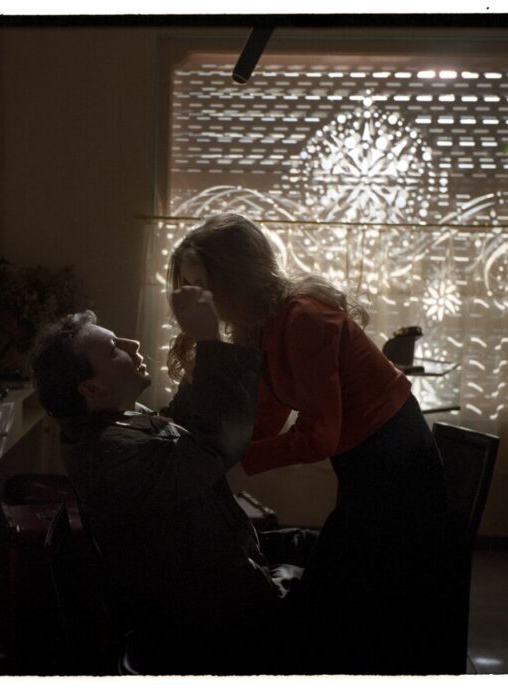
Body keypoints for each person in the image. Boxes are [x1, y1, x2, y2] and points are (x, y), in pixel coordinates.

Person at [166, 213, 456, 675]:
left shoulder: (304, 316)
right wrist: (220, 458)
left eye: (203, 284)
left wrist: (243, 467)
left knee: (345, 597)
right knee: (342, 595)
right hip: (365, 464)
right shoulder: (259, 325)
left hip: (396, 462)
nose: (196, 298)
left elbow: (321, 434)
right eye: (187, 286)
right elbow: (268, 414)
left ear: (236, 274)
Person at [28, 288, 311, 675]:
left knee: (328, 547)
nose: (133, 344)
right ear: (92, 389)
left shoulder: (117, 421)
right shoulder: (109, 453)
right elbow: (213, 446)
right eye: (114, 349)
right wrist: (210, 341)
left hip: (215, 584)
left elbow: (183, 424)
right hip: (209, 621)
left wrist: (204, 344)